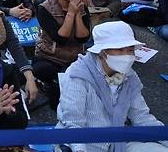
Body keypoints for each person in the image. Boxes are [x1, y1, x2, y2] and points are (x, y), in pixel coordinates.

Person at [56, 21, 167, 152]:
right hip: (81, 144)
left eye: (130, 50)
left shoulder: (130, 76)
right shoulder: (78, 75)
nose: (126, 55)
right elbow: (73, 123)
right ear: (102, 52)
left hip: (117, 142)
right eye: (120, 49)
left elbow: (141, 117)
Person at [33, 0, 91, 109]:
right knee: (47, 71)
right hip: (50, 56)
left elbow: (83, 37)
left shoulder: (81, 5)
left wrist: (77, 12)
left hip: (75, 55)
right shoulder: (44, 8)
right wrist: (71, 12)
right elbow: (61, 39)